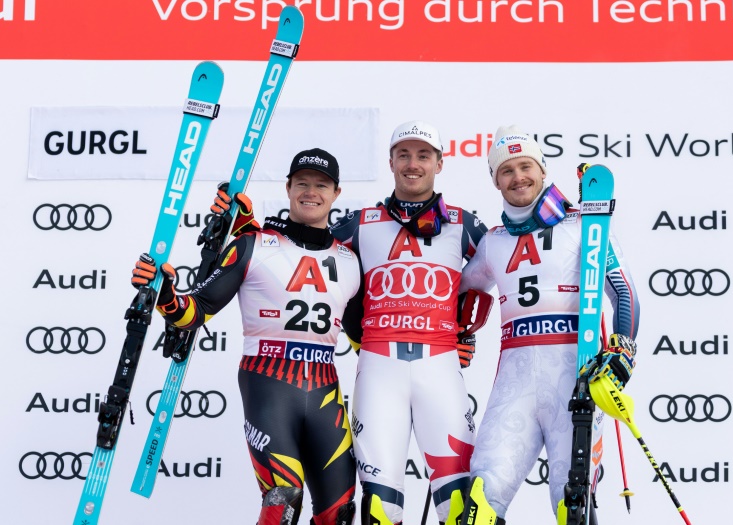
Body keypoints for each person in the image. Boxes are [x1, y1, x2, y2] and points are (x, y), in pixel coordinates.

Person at [131, 148, 362, 525]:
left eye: (321, 185)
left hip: (325, 390)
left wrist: (447, 340)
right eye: (302, 183)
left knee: (339, 513)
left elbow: (363, 336)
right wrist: (165, 295)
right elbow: (197, 310)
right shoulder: (253, 244)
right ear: (288, 188)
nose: (311, 192)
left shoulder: (351, 261)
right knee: (282, 500)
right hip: (268, 384)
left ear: (336, 193)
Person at [457, 125, 640, 525]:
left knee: (572, 503)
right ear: (494, 180)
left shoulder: (584, 224)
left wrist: (623, 348)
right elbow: (456, 295)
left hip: (573, 379)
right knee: (479, 501)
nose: (518, 177)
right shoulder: (494, 241)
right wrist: (454, 335)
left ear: (542, 170)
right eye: (506, 170)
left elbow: (624, 295)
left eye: (526, 166)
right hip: (514, 384)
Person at [329, 121, 489, 525]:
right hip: (380, 369)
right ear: (391, 162)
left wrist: (569, 220)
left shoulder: (463, 223)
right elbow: (306, 251)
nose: (412, 164)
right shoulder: (358, 222)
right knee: (381, 506)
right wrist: (247, 229)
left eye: (422, 155)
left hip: (441, 370)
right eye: (404, 155)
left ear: (439, 163)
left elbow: (511, 260)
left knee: (457, 504)